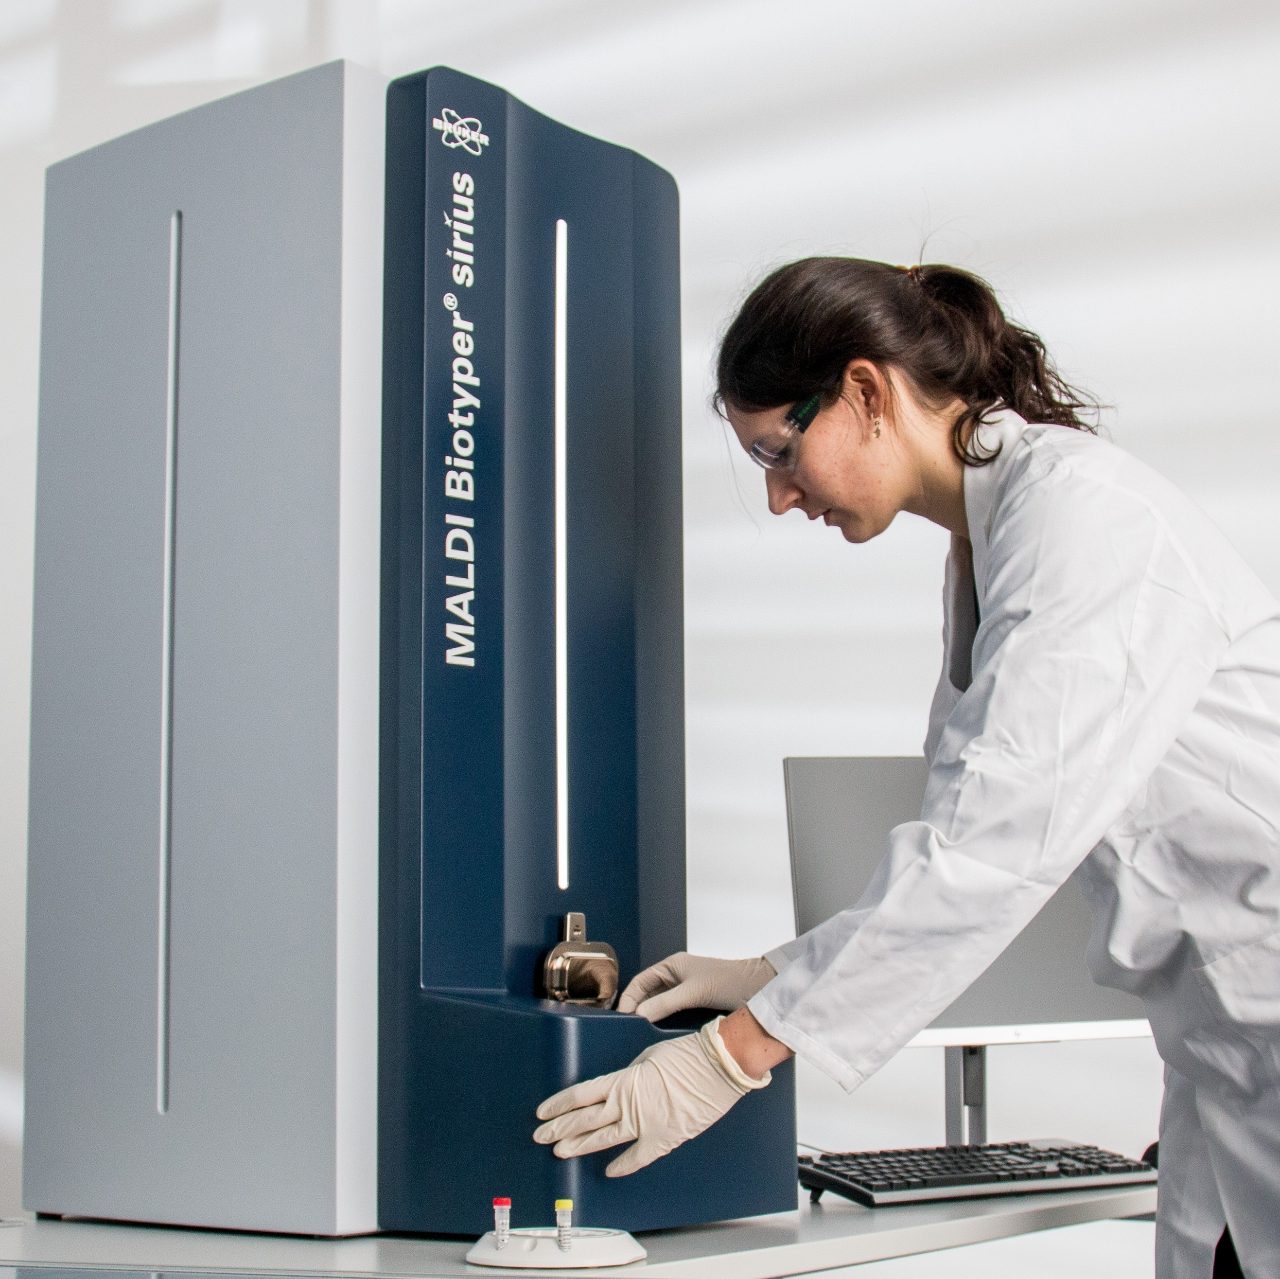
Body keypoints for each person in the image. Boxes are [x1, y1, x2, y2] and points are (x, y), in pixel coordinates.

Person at [532, 257, 1280, 1278]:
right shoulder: (991, 541)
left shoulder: (1081, 519)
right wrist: (774, 971)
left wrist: (731, 1054)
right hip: (1225, 1055)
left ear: (865, 391)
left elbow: (993, 846)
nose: (778, 494)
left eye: (778, 450)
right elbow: (957, 825)